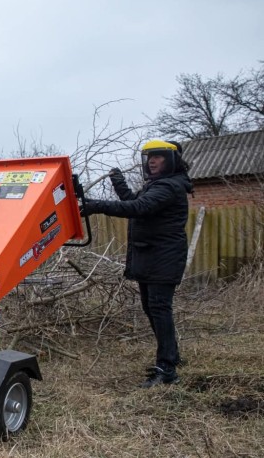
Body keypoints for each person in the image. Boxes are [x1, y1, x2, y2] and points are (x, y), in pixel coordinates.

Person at [81, 140, 193, 388]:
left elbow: (138, 207)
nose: (152, 161)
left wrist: (96, 205)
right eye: (149, 157)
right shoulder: (157, 185)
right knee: (152, 308)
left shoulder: (170, 186)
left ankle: (167, 370)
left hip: (163, 256)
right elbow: (134, 202)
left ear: (171, 160)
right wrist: (118, 182)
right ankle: (170, 356)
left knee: (159, 308)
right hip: (151, 256)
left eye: (158, 157)